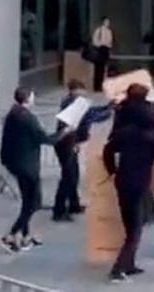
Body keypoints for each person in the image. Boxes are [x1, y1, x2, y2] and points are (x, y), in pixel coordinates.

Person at [103, 104, 154, 283]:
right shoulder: (150, 138)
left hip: (122, 181)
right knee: (135, 229)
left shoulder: (125, 133)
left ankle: (129, 265)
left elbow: (108, 149)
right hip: (137, 185)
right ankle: (118, 269)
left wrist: (111, 170)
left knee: (131, 224)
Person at [0, 88, 57, 253]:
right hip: (27, 165)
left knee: (27, 199)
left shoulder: (14, 114)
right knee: (33, 202)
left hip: (16, 162)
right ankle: (11, 234)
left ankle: (26, 236)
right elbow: (43, 138)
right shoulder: (27, 118)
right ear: (28, 98)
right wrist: (63, 133)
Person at [53, 80, 91, 222]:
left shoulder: (71, 102)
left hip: (68, 143)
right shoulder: (73, 104)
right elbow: (71, 125)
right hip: (67, 144)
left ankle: (74, 204)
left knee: (73, 174)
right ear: (76, 90)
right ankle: (59, 210)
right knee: (69, 176)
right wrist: (76, 142)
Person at [92, 17, 114, 92]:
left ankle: (102, 86)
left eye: (108, 22)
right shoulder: (99, 30)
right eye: (106, 22)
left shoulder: (109, 31)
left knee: (104, 69)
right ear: (103, 22)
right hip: (100, 49)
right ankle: (96, 86)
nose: (108, 23)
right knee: (98, 69)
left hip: (106, 50)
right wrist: (101, 44)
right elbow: (95, 41)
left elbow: (110, 42)